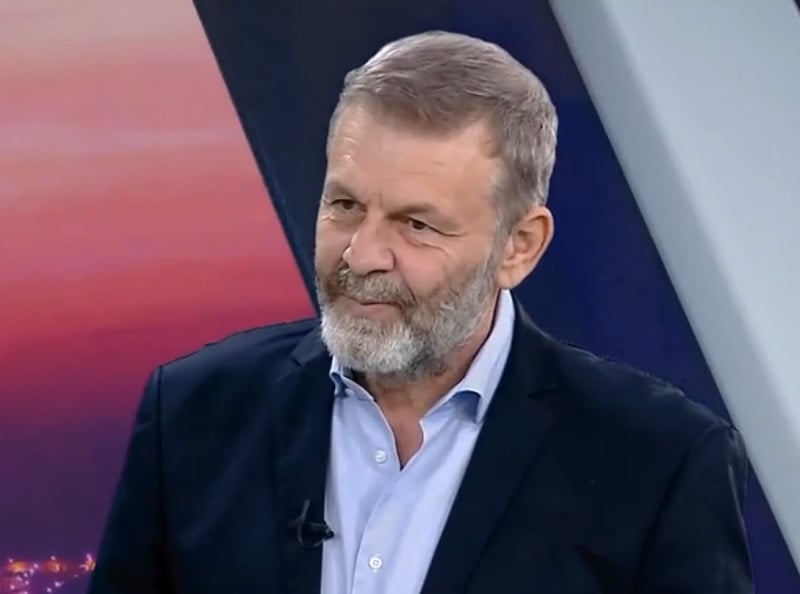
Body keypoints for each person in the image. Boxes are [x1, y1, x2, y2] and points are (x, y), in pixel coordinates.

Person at [88, 31, 753, 594]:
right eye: (345, 205)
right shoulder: (193, 414)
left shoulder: (659, 462)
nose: (363, 255)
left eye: (416, 224)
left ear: (519, 247)